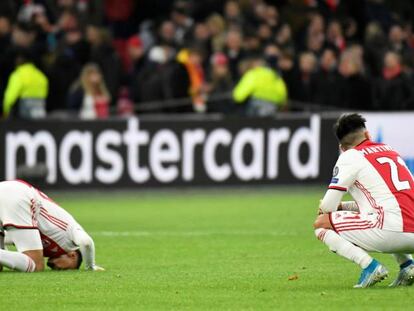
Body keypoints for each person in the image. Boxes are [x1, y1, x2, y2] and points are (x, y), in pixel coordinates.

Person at [314, 113, 414, 288]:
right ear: (368, 135)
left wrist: (327, 208)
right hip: (409, 229)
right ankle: (407, 266)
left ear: (342, 147)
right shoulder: (390, 150)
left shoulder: (349, 157)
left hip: (393, 232)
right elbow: (386, 200)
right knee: (382, 213)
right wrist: (343, 206)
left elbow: (328, 207)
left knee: (321, 224)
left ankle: (370, 267)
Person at [0, 179, 103, 272]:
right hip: (19, 195)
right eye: (66, 269)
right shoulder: (71, 239)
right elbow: (86, 243)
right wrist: (90, 266)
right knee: (36, 265)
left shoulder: (47, 243)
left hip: (6, 189)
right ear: (72, 255)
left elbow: (12, 237)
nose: (58, 269)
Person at [2, 49, 48, 119]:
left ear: (19, 60)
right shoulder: (41, 76)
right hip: (39, 115)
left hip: (22, 117)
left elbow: (10, 97)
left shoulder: (18, 75)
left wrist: (6, 110)